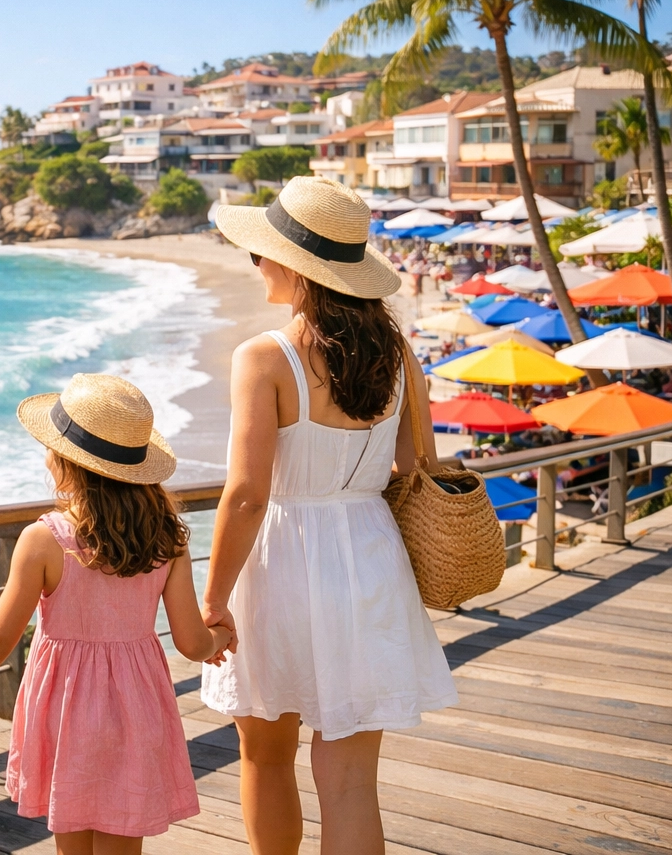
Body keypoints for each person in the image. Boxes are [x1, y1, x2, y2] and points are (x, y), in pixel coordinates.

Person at [205, 177, 457, 855]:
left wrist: (212, 600)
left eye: (260, 253)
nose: (255, 264)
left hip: (281, 559)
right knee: (349, 780)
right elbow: (417, 466)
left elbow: (248, 495)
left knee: (264, 755)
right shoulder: (399, 354)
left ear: (295, 265)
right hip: (369, 555)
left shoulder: (266, 357)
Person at [0, 373, 233, 855]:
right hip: (138, 708)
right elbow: (192, 643)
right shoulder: (167, 539)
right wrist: (220, 635)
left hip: (66, 708)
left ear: (65, 462)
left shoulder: (45, 540)